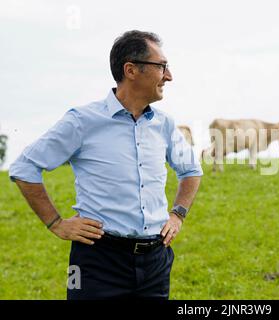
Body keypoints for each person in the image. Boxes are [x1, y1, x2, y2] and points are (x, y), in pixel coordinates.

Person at [9, 30, 203, 299]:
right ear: (131, 70)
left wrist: (178, 214)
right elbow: (24, 168)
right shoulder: (82, 121)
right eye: (162, 67)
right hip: (98, 261)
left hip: (155, 261)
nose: (168, 76)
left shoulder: (165, 124)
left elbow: (191, 171)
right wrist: (56, 223)